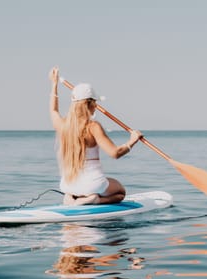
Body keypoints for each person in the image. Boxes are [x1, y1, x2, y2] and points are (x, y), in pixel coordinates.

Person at [49, 66, 142, 205]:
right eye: (95, 103)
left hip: (67, 185)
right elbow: (115, 153)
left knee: (77, 188)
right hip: (93, 185)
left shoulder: (63, 125)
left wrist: (54, 84)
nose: (96, 106)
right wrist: (132, 141)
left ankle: (72, 197)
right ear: (90, 104)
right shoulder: (93, 126)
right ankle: (95, 199)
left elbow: (54, 110)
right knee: (120, 192)